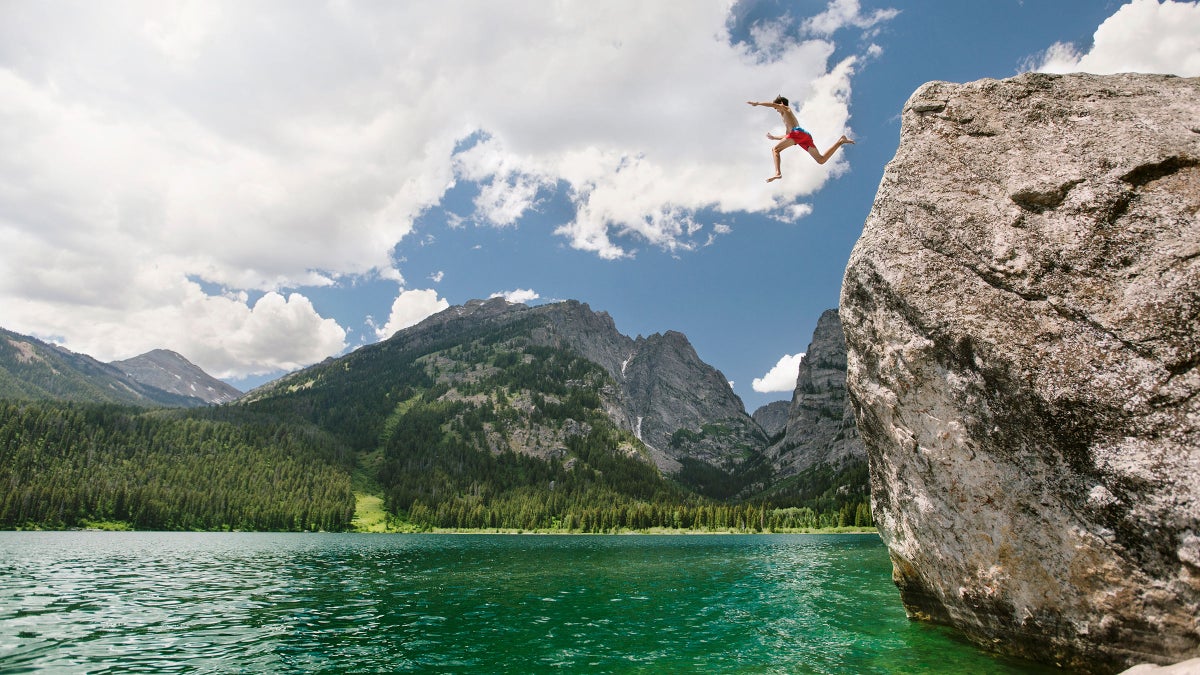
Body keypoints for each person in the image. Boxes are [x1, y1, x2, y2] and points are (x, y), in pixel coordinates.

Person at [747, 96, 854, 182]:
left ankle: (777, 173)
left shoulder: (786, 109)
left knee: (775, 150)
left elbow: (774, 105)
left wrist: (758, 103)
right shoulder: (786, 119)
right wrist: (774, 137)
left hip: (798, 134)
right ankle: (841, 141)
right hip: (803, 137)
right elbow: (787, 136)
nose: (777, 111)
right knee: (821, 160)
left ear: (781, 105)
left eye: (777, 109)